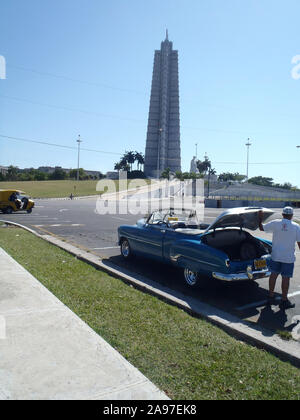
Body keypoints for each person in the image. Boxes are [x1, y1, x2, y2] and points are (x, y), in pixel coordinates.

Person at [258, 206, 300, 309]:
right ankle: (284, 300)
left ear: (282, 214)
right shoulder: (296, 226)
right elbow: (299, 243)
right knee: (286, 278)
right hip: (288, 258)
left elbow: (261, 228)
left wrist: (260, 217)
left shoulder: (276, 223)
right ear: (291, 216)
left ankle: (271, 296)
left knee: (273, 275)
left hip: (276, 256)